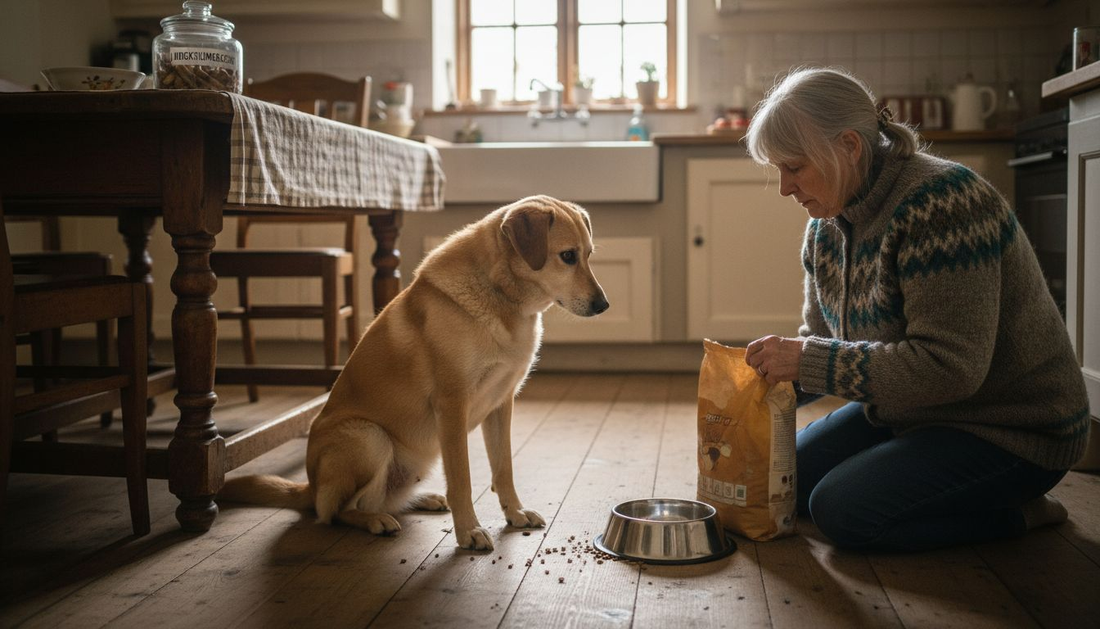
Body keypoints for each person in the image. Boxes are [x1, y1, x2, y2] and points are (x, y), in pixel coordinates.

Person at [741, 67, 1090, 552]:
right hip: (911, 412)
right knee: (773, 482)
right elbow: (821, 342)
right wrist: (754, 385)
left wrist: (805, 359)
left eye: (794, 167)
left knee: (842, 513)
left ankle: (1019, 513)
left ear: (848, 146)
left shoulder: (943, 205)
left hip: (1009, 428)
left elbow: (950, 369)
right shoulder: (826, 225)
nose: (784, 188)